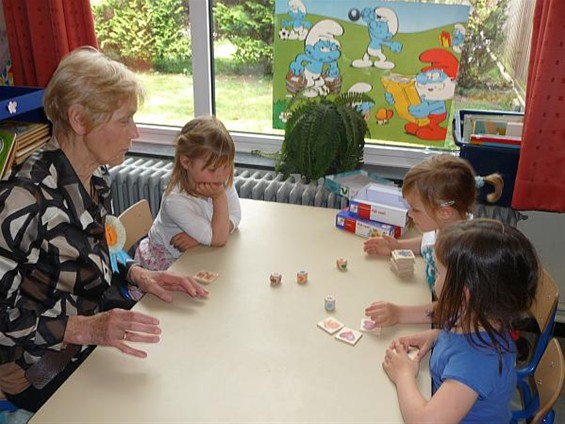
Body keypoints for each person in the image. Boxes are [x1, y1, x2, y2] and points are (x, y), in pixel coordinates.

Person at [0, 46, 209, 414]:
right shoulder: (22, 201)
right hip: (42, 365)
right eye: (125, 120)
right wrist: (85, 329)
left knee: (189, 371)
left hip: (95, 335)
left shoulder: (95, 175)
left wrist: (139, 273)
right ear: (79, 120)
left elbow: (94, 252)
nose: (136, 132)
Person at [382, 219, 539, 423]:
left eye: (438, 273)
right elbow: (456, 339)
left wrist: (403, 375)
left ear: (464, 294)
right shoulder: (476, 316)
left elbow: (425, 421)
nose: (434, 280)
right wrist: (434, 336)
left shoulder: (477, 358)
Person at [364, 154, 503, 326]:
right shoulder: (445, 226)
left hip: (455, 326)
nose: (410, 214)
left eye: (415, 209)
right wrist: (398, 246)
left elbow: (451, 311)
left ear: (444, 212)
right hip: (429, 297)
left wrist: (399, 314)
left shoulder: (461, 254)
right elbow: (428, 241)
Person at [135, 116, 241, 271]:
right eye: (212, 169)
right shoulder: (175, 201)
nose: (221, 175)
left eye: (226, 167)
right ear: (186, 162)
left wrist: (201, 238)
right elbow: (219, 239)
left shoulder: (218, 181)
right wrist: (219, 199)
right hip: (167, 260)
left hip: (196, 254)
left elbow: (236, 216)